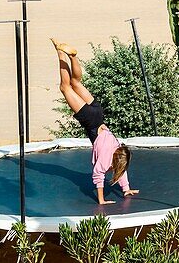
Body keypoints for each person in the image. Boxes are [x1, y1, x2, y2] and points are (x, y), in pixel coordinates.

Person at [52, 39, 139, 205]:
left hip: (99, 114)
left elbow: (122, 169)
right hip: (90, 120)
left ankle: (74, 57)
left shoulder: (118, 149)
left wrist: (126, 188)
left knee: (76, 83)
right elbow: (98, 174)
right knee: (65, 88)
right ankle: (61, 54)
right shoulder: (108, 159)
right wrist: (101, 200)